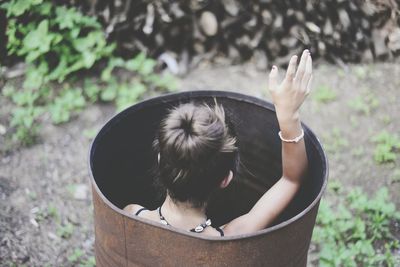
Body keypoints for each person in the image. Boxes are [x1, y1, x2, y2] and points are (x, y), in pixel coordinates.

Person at [124, 49, 313, 237]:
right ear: (225, 179)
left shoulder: (132, 215)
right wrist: (289, 115)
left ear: (159, 159)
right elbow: (291, 179)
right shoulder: (228, 239)